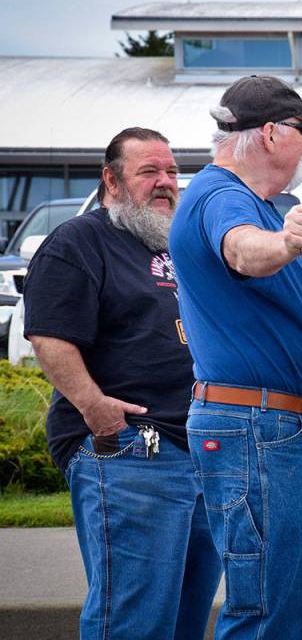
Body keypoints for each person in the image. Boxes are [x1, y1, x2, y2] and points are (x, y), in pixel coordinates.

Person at [23, 127, 221, 638]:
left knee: (184, 620)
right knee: (133, 622)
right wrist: (95, 409)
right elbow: (49, 335)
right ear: (111, 181)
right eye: (149, 172)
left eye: (173, 172)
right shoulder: (79, 242)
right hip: (130, 448)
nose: (165, 183)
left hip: (198, 447)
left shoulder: (178, 245)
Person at [168, 75, 302, 640]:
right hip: (257, 426)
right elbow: (242, 250)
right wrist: (285, 242)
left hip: (260, 425)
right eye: (301, 129)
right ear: (269, 133)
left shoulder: (246, 199)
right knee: (264, 609)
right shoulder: (225, 196)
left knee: (269, 602)